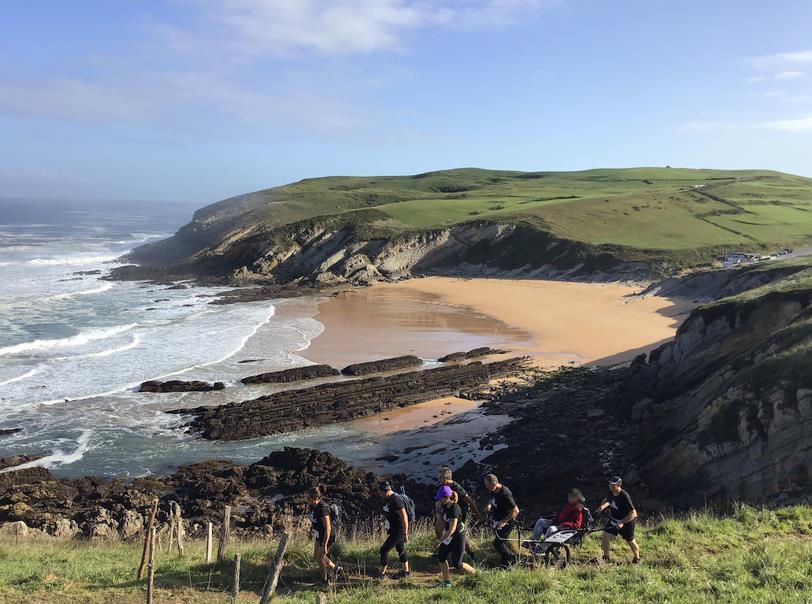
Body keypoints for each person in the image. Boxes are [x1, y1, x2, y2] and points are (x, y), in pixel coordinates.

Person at [433, 485, 476, 588]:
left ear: (446, 497)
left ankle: (476, 574)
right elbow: (444, 524)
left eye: (440, 498)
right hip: (449, 536)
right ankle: (447, 582)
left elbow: (452, 529)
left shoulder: (454, 509)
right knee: (441, 557)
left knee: (457, 563)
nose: (439, 501)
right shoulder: (445, 506)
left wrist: (439, 541)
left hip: (458, 536)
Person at [434, 466, 480, 559]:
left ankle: (470, 553)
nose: (439, 479)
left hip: (459, 512)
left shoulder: (456, 487)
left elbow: (469, 500)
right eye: (439, 477)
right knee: (438, 528)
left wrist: (477, 514)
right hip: (448, 510)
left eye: (441, 478)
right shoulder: (443, 486)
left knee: (457, 534)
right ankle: (441, 552)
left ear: (447, 479)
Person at [596, 476, 640, 564]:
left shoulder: (624, 495)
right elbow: (608, 500)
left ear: (619, 485)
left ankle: (637, 558)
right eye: (610, 484)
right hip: (614, 519)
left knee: (630, 540)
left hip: (627, 521)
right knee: (605, 535)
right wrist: (602, 507)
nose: (610, 486)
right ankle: (606, 557)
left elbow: (633, 513)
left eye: (613, 484)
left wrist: (622, 522)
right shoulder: (611, 492)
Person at [482, 473, 519, 567]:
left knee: (498, 543)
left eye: (488, 485)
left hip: (507, 523)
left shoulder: (505, 493)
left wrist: (503, 521)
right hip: (498, 521)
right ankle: (505, 564)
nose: (487, 488)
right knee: (503, 543)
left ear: (494, 483)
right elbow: (492, 499)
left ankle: (513, 559)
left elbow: (515, 510)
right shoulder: (493, 490)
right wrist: (489, 506)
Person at [307, 484, 341, 584]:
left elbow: (328, 528)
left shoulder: (323, 508)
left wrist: (325, 544)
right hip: (319, 535)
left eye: (308, 497)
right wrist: (310, 531)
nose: (306, 498)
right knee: (316, 556)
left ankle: (324, 580)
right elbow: (313, 521)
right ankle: (335, 568)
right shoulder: (313, 506)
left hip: (328, 535)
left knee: (320, 557)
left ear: (314, 497)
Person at [376, 481, 411, 579]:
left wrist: (405, 534)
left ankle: (381, 574)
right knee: (400, 549)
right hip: (394, 529)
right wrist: (381, 522)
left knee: (384, 550)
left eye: (380, 492)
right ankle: (406, 572)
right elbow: (387, 511)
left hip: (399, 530)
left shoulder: (396, 499)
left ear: (386, 491)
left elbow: (404, 517)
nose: (379, 494)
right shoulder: (388, 498)